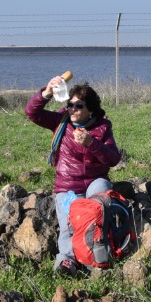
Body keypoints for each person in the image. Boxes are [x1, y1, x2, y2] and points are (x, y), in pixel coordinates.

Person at [25, 76, 121, 276]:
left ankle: (98, 254)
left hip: (95, 180)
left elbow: (113, 158)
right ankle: (66, 262)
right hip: (68, 184)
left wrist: (91, 143)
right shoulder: (62, 121)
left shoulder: (102, 127)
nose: (72, 109)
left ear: (91, 110)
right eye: (70, 104)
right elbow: (31, 113)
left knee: (99, 210)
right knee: (69, 222)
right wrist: (47, 93)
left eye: (78, 106)